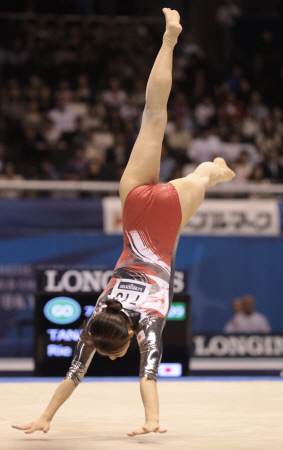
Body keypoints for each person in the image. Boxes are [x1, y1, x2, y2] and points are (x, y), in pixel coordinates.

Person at [12, 9, 234, 437]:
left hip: (166, 217)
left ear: (129, 336)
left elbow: (145, 375)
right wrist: (44, 418)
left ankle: (214, 170)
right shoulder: (98, 316)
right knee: (153, 115)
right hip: (134, 207)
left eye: (114, 355)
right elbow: (75, 374)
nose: (112, 358)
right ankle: (169, 40)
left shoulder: (146, 318)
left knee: (203, 175)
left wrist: (152, 422)